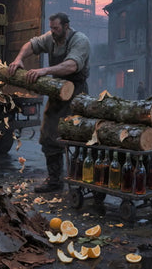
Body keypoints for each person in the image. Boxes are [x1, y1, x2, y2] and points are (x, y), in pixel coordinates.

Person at [8, 12, 90, 192]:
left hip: (77, 93)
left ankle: (81, 181)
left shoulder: (80, 40)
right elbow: (32, 44)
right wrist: (19, 58)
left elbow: (72, 65)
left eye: (56, 28)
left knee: (77, 136)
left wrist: (44, 70)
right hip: (57, 92)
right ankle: (55, 180)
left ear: (66, 26)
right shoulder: (51, 38)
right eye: (51, 28)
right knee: (48, 134)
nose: (52, 31)